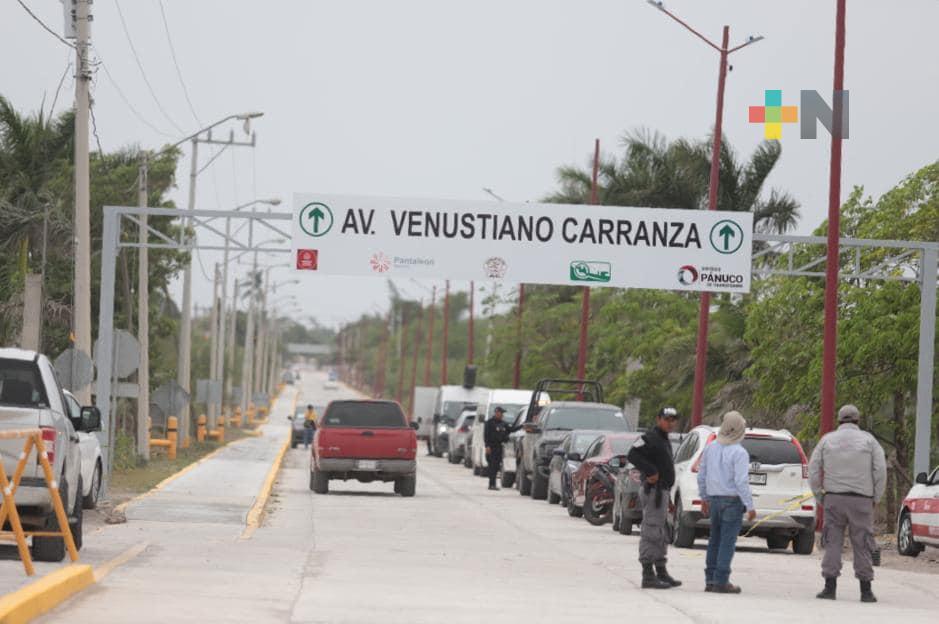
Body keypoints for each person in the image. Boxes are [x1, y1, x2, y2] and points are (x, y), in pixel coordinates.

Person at [809, 404, 886, 603]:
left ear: (839, 420)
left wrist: (820, 496)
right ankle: (866, 591)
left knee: (833, 541)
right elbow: (880, 471)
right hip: (862, 500)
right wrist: (875, 498)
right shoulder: (870, 441)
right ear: (858, 421)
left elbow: (813, 470)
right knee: (862, 543)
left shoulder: (827, 440)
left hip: (833, 498)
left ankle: (830, 587)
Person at [697, 411, 755, 594]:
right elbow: (741, 482)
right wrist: (750, 505)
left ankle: (710, 580)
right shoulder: (740, 452)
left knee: (714, 539)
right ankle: (721, 581)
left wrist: (704, 498)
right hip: (732, 501)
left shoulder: (710, 448)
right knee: (727, 542)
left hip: (714, 500)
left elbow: (702, 475)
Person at [626, 407, 681, 590]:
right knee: (651, 531)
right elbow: (632, 454)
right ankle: (648, 574)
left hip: (663, 491)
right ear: (658, 419)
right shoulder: (650, 437)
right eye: (667, 419)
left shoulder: (664, 439)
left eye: (673, 420)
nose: (670, 423)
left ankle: (661, 571)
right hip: (653, 491)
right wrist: (650, 471)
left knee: (661, 532)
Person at [484, 406, 520, 491]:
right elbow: (486, 435)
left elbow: (512, 429)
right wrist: (487, 446)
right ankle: (491, 484)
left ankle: (493, 484)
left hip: (499, 447)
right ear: (497, 413)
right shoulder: (489, 423)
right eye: (501, 413)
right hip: (491, 447)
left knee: (496, 466)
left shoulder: (503, 423)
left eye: (502, 413)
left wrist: (522, 426)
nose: (502, 415)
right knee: (492, 466)